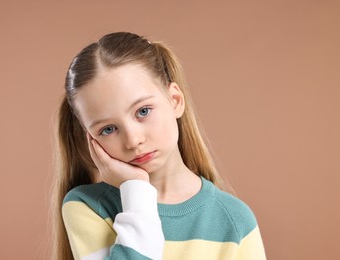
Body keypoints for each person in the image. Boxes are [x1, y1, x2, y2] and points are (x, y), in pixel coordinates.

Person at [51, 32, 266, 260]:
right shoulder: (88, 207)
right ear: (91, 140)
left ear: (175, 101)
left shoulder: (234, 221)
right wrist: (136, 189)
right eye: (108, 129)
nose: (133, 140)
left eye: (143, 111)